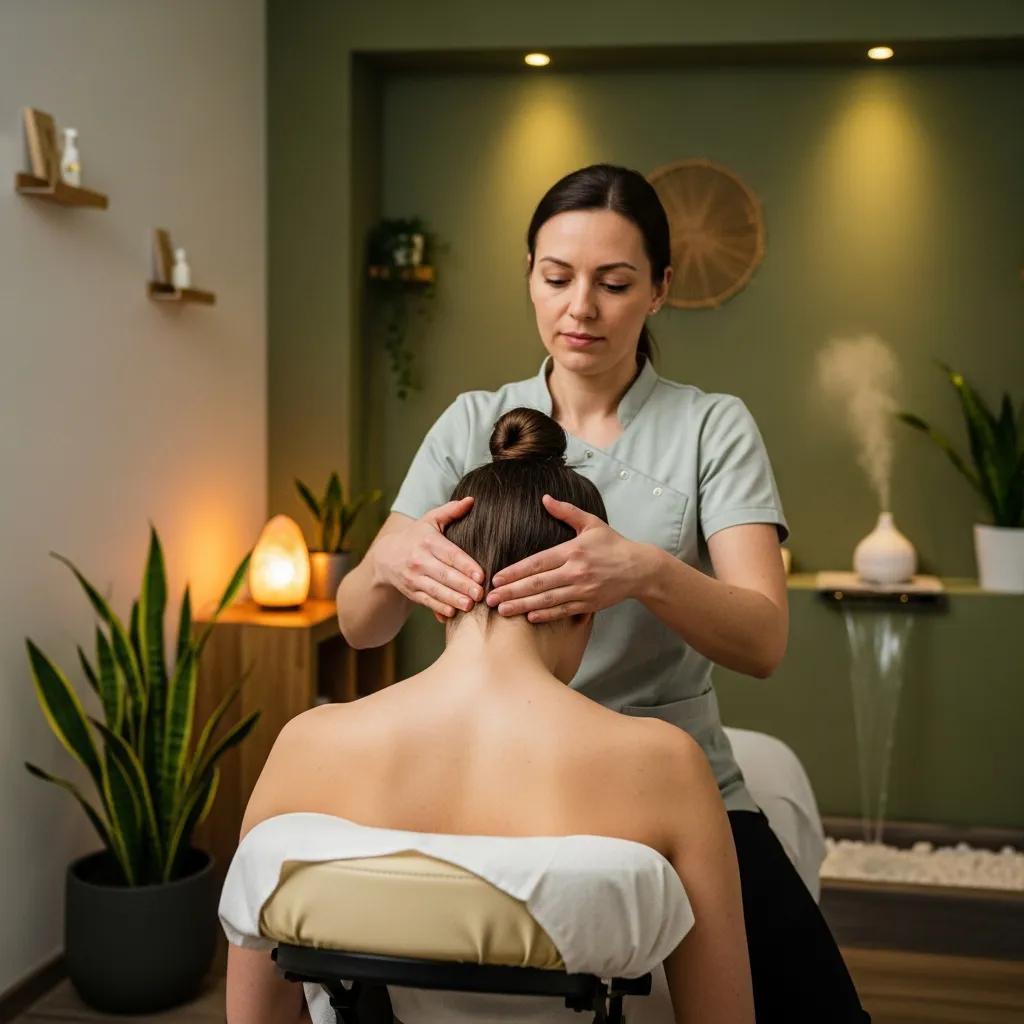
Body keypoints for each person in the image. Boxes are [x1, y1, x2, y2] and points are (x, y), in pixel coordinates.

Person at [336, 164, 870, 1023]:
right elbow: (359, 625)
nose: (580, 307)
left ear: (659, 289)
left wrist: (648, 572)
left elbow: (763, 642)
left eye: (614, 283)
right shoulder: (472, 423)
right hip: (483, 765)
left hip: (667, 778)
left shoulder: (710, 427)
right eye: (556, 278)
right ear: (530, 277)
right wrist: (386, 566)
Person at [227, 407, 755, 1024]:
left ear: (435, 598)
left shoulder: (304, 745)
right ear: (586, 608)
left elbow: (253, 1016)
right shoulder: (667, 764)